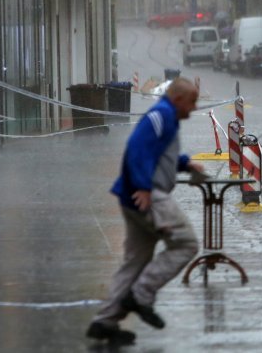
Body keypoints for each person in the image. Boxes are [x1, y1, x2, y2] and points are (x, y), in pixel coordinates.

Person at [86, 77, 203, 346]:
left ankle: (105, 321)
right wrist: (143, 186)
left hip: (133, 197)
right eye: (192, 102)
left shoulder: (167, 118)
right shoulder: (161, 115)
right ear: (177, 100)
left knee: (134, 262)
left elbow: (158, 153)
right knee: (186, 244)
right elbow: (137, 149)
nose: (194, 108)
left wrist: (185, 164)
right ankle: (141, 295)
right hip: (148, 196)